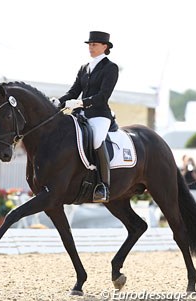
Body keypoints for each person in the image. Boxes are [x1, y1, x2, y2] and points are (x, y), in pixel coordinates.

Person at [55, 31, 119, 203]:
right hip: (80, 115)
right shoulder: (84, 67)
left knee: (97, 140)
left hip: (99, 115)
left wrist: (81, 103)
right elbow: (73, 91)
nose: (91, 47)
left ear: (104, 47)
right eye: (90, 44)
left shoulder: (111, 68)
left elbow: (103, 96)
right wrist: (57, 101)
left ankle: (103, 185)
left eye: (94, 44)